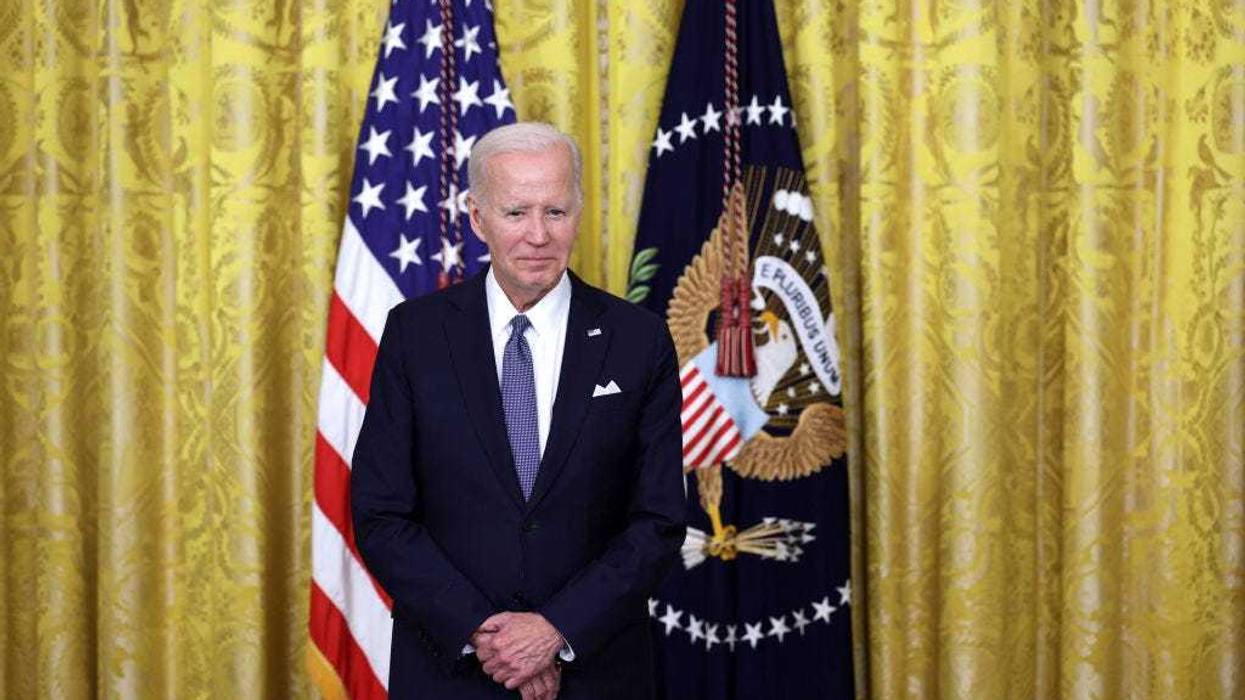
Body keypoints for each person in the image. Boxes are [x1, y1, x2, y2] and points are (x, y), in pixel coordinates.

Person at [351, 122, 686, 699]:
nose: (538, 235)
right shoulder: (417, 334)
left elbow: (657, 520)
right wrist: (489, 636)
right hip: (452, 672)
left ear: (578, 213)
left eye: (556, 212)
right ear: (477, 218)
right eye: (516, 213)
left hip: (598, 674)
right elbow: (381, 513)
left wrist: (555, 631)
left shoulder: (639, 340)